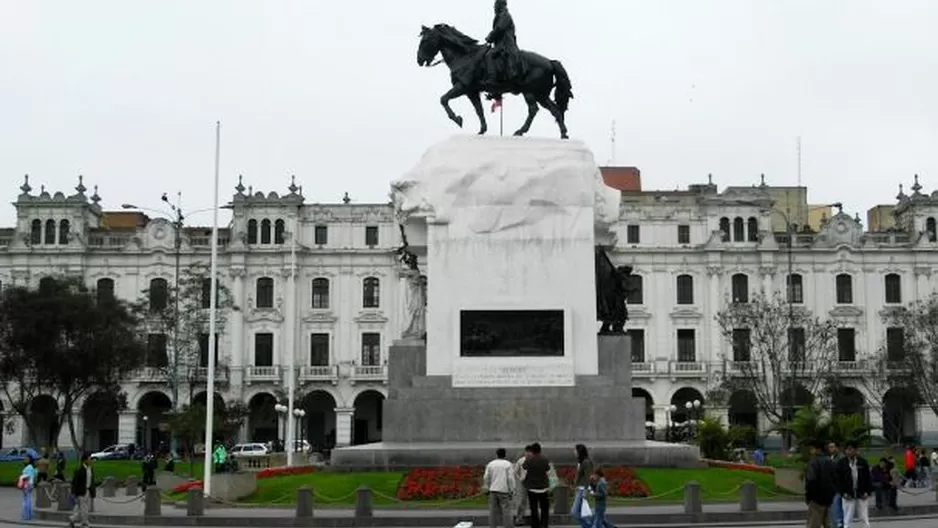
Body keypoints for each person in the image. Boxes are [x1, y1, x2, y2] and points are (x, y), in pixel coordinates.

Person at [835, 441, 872, 528]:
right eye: (848, 449)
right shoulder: (841, 463)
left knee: (864, 517)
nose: (850, 451)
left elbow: (868, 478)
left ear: (856, 450)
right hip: (848, 494)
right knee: (847, 518)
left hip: (862, 493)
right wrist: (843, 493)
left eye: (852, 449)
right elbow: (838, 480)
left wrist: (867, 491)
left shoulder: (862, 462)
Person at [484, 0, 521, 87]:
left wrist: (490, 37)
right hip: (500, 44)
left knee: (489, 55)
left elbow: (499, 29)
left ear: (500, 5)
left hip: (505, 44)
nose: (494, 8)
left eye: (495, 5)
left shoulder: (505, 15)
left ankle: (492, 79)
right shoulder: (501, 15)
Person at [804, 440, 836, 528]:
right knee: (829, 524)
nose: (810, 451)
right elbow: (835, 479)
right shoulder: (830, 461)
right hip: (829, 498)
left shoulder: (813, 462)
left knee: (813, 524)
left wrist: (808, 496)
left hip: (816, 499)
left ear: (817, 449)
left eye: (812, 449)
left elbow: (811, 480)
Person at [483, 448, 516, 528]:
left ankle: (493, 526)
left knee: (493, 512)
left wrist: (486, 487)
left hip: (493, 490)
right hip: (504, 490)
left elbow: (486, 477)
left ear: (496, 454)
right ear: (505, 455)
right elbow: (510, 478)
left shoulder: (491, 464)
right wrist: (512, 489)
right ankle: (508, 526)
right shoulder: (508, 464)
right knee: (506, 511)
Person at [521, 443, 551, 528]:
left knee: (534, 508)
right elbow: (548, 469)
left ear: (532, 451)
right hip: (543, 487)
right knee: (544, 508)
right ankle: (544, 524)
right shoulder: (544, 459)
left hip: (532, 488)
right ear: (540, 450)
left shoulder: (530, 459)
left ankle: (535, 525)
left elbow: (524, 467)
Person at [69, 452, 96, 528]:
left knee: (79, 508)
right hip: (81, 491)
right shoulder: (79, 470)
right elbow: (75, 482)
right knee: (84, 508)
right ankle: (85, 523)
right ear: (84, 460)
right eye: (89, 459)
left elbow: (92, 481)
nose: (90, 460)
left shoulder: (90, 469)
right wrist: (73, 492)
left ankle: (72, 519)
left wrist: (93, 492)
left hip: (87, 490)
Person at [570, 444, 594, 528]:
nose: (574, 452)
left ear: (579, 452)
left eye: (575, 450)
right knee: (579, 512)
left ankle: (589, 526)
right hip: (579, 489)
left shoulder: (586, 462)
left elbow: (588, 477)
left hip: (582, 490)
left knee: (574, 512)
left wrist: (585, 490)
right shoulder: (580, 462)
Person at [512, 445, 531, 526]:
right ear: (525, 452)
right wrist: (520, 478)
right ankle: (519, 518)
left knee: (534, 502)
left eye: (530, 452)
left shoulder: (534, 460)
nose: (528, 453)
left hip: (533, 483)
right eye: (527, 452)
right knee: (521, 502)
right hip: (523, 483)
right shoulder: (521, 460)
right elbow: (515, 471)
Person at [827, 441, 844, 528]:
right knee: (834, 507)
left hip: (838, 487)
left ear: (837, 448)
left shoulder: (840, 458)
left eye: (832, 447)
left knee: (837, 506)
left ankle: (839, 523)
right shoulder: (831, 457)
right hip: (832, 486)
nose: (831, 449)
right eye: (829, 447)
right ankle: (836, 523)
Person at [19, 455, 36, 521]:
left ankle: (27, 515)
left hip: (26, 484)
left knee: (27, 500)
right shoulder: (31, 467)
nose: (24, 460)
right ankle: (28, 515)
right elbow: (34, 474)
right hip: (29, 484)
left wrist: (21, 477)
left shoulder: (29, 467)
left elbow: (28, 476)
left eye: (26, 459)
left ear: (29, 460)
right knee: (28, 499)